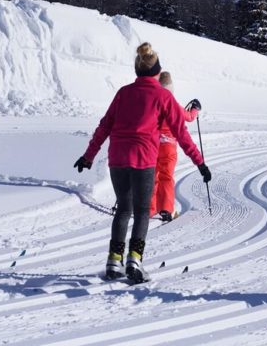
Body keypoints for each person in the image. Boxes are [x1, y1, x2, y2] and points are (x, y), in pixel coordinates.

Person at [74, 43, 210, 283]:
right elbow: (181, 132)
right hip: (144, 159)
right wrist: (200, 163)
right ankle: (134, 260)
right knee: (141, 212)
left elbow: (104, 125)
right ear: (157, 72)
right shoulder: (163, 95)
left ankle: (114, 261)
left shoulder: (123, 93)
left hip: (117, 159)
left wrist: (88, 156)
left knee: (123, 211)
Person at [150, 71, 201, 222]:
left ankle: (149, 209)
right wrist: (195, 109)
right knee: (166, 176)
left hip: (152, 145)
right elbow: (189, 117)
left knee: (152, 176)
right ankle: (166, 209)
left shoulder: (153, 103)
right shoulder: (173, 105)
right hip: (169, 146)